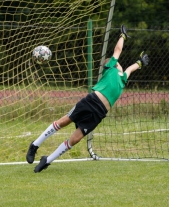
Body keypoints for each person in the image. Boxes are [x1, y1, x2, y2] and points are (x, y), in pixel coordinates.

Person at [26, 25, 149, 173]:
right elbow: (118, 50)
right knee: (64, 121)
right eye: (116, 62)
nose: (119, 63)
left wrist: (140, 63)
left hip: (100, 113)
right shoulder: (111, 68)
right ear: (114, 65)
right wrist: (122, 36)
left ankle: (47, 160)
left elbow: (130, 69)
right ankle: (35, 145)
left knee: (76, 139)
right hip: (91, 101)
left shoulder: (123, 78)